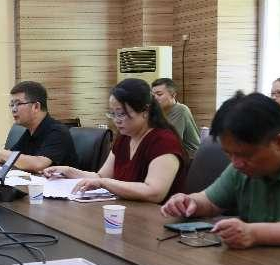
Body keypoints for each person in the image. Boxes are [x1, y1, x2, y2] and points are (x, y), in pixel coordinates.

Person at [161, 91, 280, 249]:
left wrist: (255, 233)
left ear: (278, 142)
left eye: (246, 155)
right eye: (229, 154)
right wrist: (190, 202)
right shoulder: (243, 165)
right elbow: (210, 202)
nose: (236, 164)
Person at [44, 78, 186, 203]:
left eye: (122, 114)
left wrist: (105, 183)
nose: (116, 120)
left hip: (158, 217)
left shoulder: (164, 141)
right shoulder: (125, 137)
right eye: (113, 114)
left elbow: (154, 193)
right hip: (127, 211)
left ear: (145, 111)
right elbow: (100, 176)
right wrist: (67, 171)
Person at [0, 81, 78, 171]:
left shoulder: (57, 131)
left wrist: (3, 154)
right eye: (12, 105)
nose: (13, 110)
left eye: (18, 104)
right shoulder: (30, 131)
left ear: (36, 107)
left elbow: (39, 164)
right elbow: (12, 155)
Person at [150, 78, 200, 158]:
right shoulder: (157, 111)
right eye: (153, 95)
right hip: (172, 153)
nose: (155, 98)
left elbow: (169, 141)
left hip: (190, 157)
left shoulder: (181, 110)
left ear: (173, 95)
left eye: (159, 94)